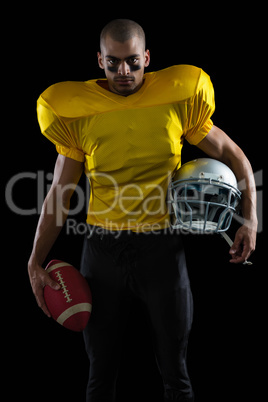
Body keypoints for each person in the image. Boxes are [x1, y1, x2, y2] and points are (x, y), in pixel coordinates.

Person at [28, 19, 257, 402]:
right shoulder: (76, 112)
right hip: (102, 250)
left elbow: (236, 157)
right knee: (99, 376)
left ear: (147, 58)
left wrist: (250, 220)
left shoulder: (177, 98)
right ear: (99, 60)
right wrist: (34, 260)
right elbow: (59, 193)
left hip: (162, 248)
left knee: (177, 374)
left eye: (133, 61)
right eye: (113, 62)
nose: (124, 72)